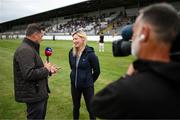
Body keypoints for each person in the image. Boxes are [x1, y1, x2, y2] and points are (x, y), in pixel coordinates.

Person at [92, 3, 180, 119]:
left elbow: (99, 104)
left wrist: (129, 75)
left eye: (135, 31)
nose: (131, 38)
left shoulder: (132, 89)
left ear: (145, 33)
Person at [13, 23, 58, 119]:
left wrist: (49, 71)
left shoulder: (29, 48)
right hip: (34, 95)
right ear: (35, 35)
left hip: (37, 93)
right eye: (42, 35)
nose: (43, 38)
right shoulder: (25, 50)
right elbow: (29, 74)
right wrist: (46, 69)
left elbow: (35, 70)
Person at [69, 30, 100, 119]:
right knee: (76, 107)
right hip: (74, 86)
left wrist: (89, 81)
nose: (74, 41)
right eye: (73, 39)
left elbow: (97, 71)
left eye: (76, 39)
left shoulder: (91, 54)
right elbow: (73, 68)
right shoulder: (71, 53)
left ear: (83, 39)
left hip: (87, 87)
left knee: (91, 108)